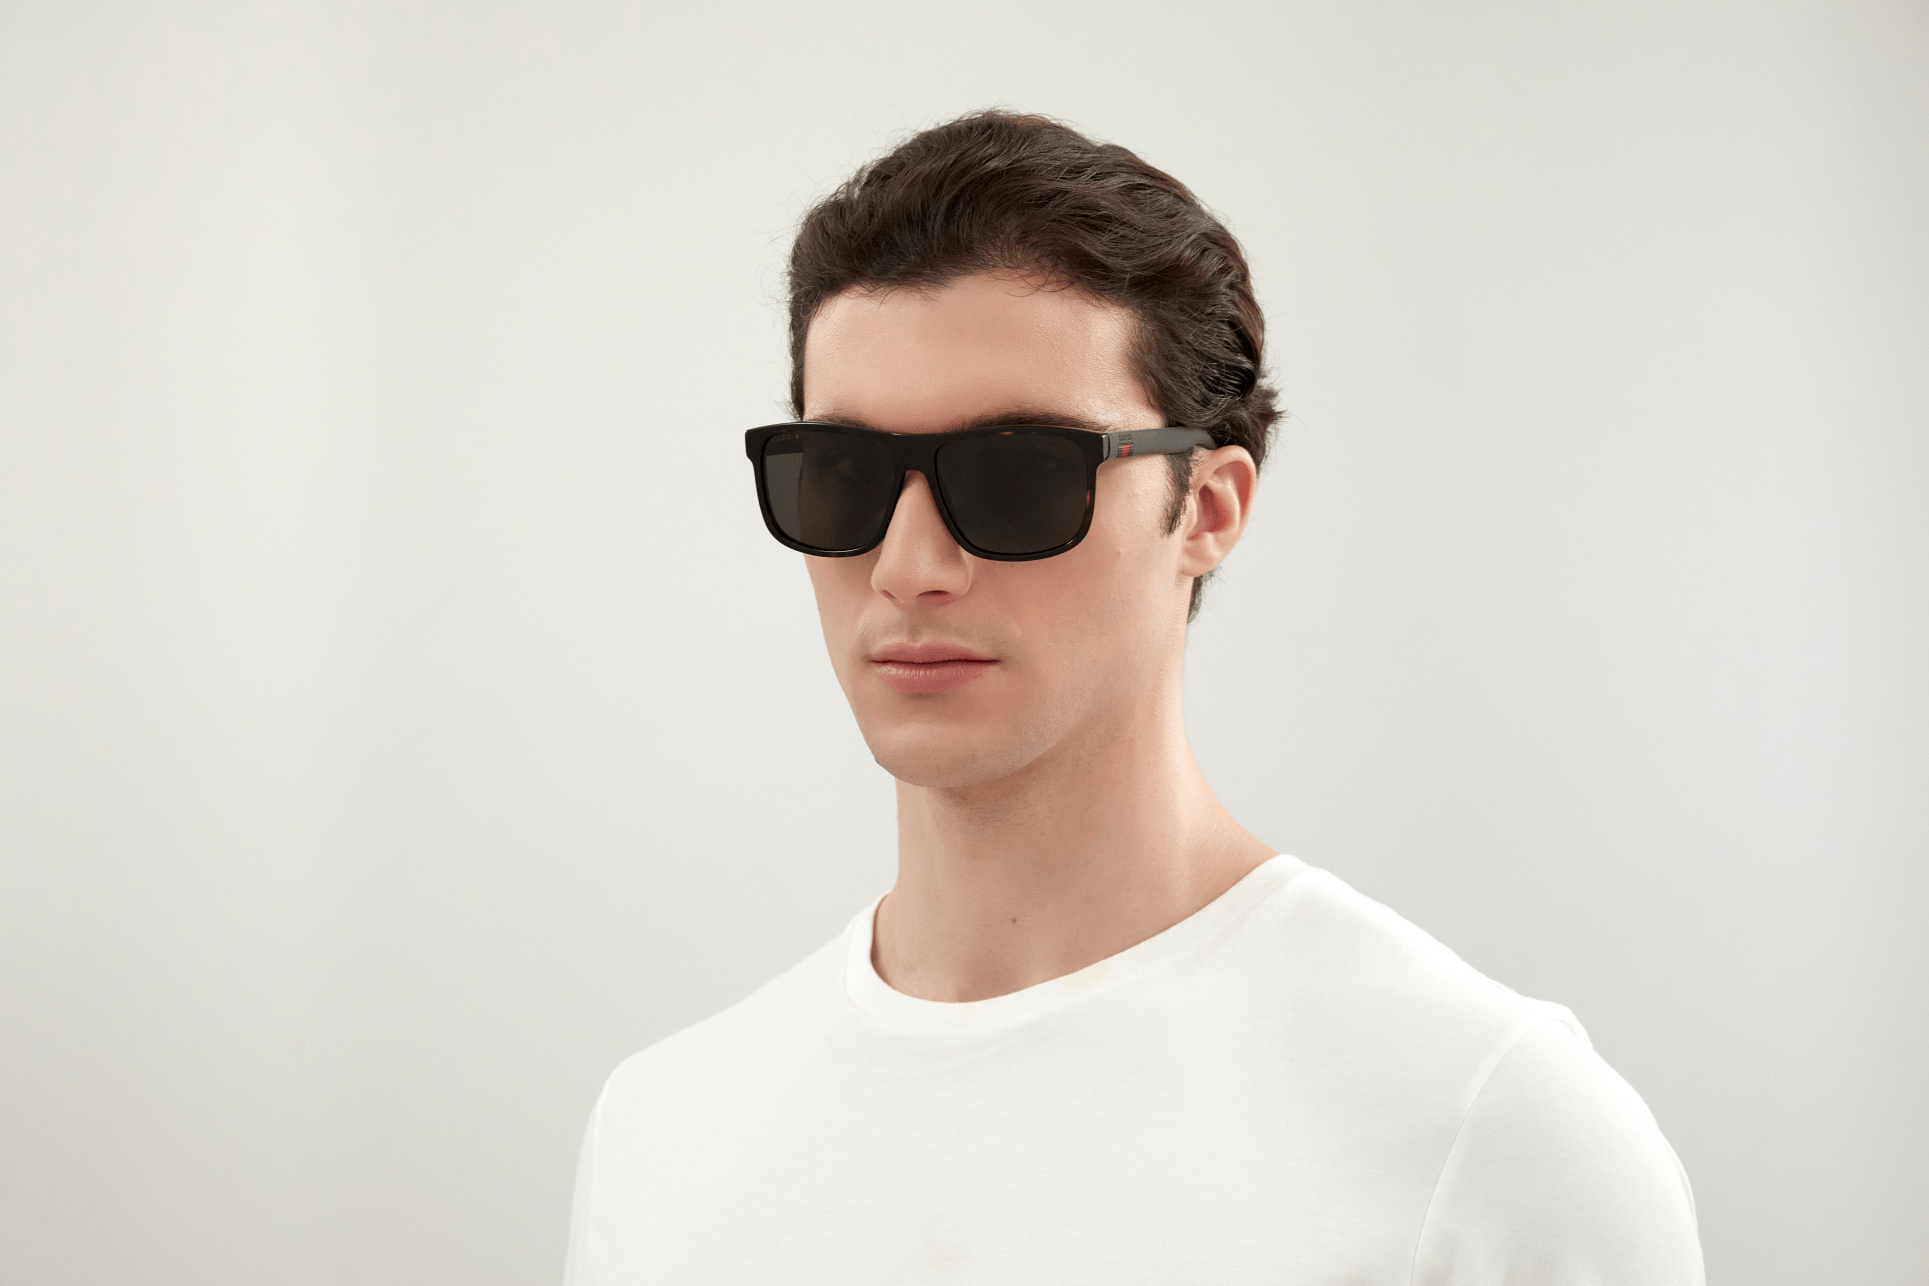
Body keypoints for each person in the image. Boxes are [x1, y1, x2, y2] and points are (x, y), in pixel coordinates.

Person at [564, 110, 1703, 1284]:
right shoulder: (662, 1136)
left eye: (1018, 473)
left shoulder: (1484, 1129)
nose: (909, 565)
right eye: (843, 474)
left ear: (1207, 508)